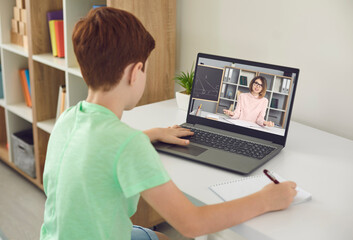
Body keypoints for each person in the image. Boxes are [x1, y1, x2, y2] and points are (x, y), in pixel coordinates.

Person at [40, 7, 297, 240]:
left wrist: (152, 133)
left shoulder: (69, 117)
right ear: (135, 72)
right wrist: (265, 200)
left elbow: (101, 147)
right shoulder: (128, 145)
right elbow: (192, 224)